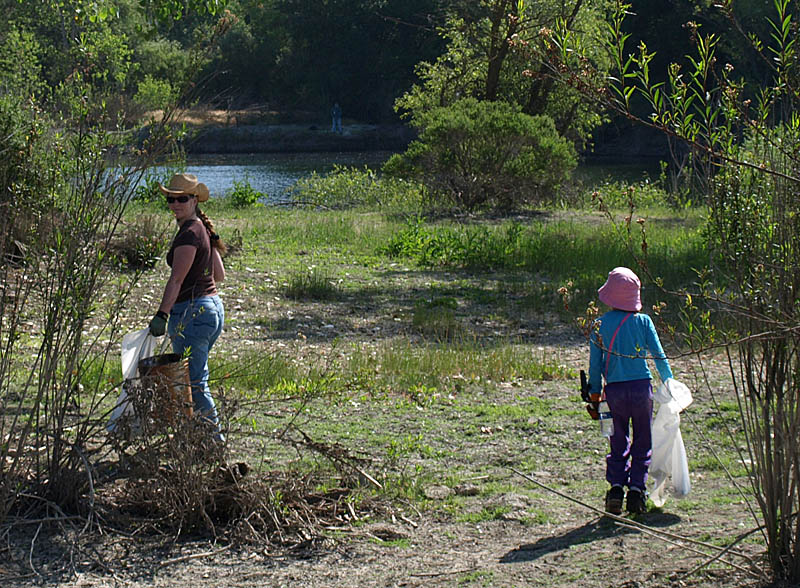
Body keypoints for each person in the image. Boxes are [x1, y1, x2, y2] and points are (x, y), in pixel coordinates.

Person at [588, 267, 673, 515]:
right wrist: (670, 383)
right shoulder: (644, 322)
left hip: (613, 393)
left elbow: (594, 366)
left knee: (617, 440)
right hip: (640, 390)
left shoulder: (599, 324)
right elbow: (659, 356)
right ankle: (637, 490)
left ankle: (616, 488)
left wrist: (594, 395)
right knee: (643, 440)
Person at [149, 173, 227, 437]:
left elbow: (176, 279)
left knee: (194, 383)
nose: (175, 204)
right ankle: (196, 437)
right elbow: (219, 275)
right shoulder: (202, 229)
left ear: (194, 200)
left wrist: (162, 314)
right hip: (213, 309)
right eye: (171, 199)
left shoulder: (189, 234)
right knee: (196, 377)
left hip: (193, 314)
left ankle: (213, 442)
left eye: (181, 199)